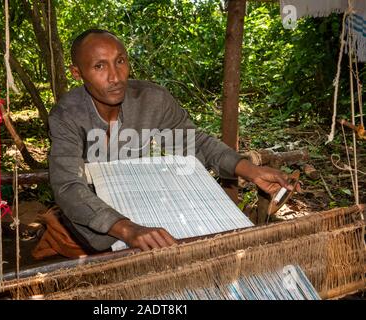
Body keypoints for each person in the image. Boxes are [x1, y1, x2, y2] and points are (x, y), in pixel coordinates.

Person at [48, 29, 294, 253]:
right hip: (97, 213)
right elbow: (68, 185)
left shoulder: (152, 100)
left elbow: (194, 143)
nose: (115, 77)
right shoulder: (67, 115)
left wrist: (251, 171)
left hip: (143, 195)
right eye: (99, 66)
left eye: (120, 61)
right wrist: (127, 229)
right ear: (77, 73)